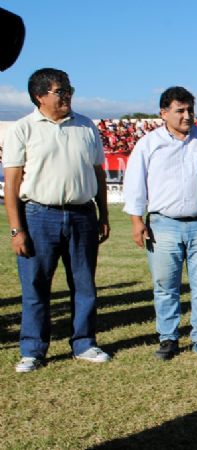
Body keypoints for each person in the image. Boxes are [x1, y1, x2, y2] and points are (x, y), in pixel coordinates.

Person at [3, 68, 111, 373]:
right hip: (38, 215)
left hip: (82, 214)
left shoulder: (86, 125)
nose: (67, 96)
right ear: (39, 96)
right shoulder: (23, 129)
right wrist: (16, 229)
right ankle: (33, 350)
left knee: (84, 284)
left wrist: (103, 213)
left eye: (69, 90)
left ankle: (84, 343)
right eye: (60, 91)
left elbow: (98, 174)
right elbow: (12, 184)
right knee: (36, 286)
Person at [123, 86, 197, 360]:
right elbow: (135, 184)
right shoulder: (149, 144)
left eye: (190, 110)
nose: (187, 116)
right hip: (163, 225)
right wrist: (137, 221)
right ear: (163, 113)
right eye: (180, 110)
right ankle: (168, 338)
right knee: (165, 286)